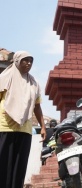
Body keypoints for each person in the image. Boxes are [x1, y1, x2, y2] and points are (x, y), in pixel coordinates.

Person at [0, 51, 46, 188]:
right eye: (25, 60)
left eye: (31, 61)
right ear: (17, 61)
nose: (29, 63)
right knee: (3, 165)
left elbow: (37, 107)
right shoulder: (4, 77)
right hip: (5, 126)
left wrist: (43, 126)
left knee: (19, 167)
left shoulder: (34, 83)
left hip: (25, 129)